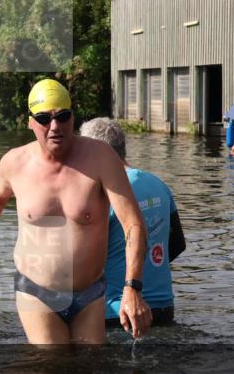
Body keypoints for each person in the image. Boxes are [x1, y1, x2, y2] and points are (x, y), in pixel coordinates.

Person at [0, 80, 150, 344]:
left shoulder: (101, 158)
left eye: (62, 116)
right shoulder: (14, 162)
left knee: (90, 373)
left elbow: (133, 224)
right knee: (50, 371)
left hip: (90, 292)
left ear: (73, 117)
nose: (54, 126)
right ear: (30, 122)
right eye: (44, 118)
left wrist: (132, 287)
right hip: (36, 291)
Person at [79, 118, 186, 326]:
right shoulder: (159, 185)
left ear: (96, 153)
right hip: (163, 307)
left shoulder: (103, 195)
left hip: (117, 312)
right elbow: (176, 245)